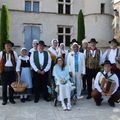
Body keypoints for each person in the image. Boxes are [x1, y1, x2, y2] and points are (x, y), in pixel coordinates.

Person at [0, 40, 18, 105]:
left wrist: (17, 71)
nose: (8, 46)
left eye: (9, 45)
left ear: (11, 46)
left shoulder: (14, 53)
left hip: (12, 72)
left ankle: (11, 99)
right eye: (7, 45)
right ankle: (4, 100)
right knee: (4, 86)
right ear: (4, 46)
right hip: (4, 72)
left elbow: (17, 61)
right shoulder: (1, 53)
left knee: (11, 86)